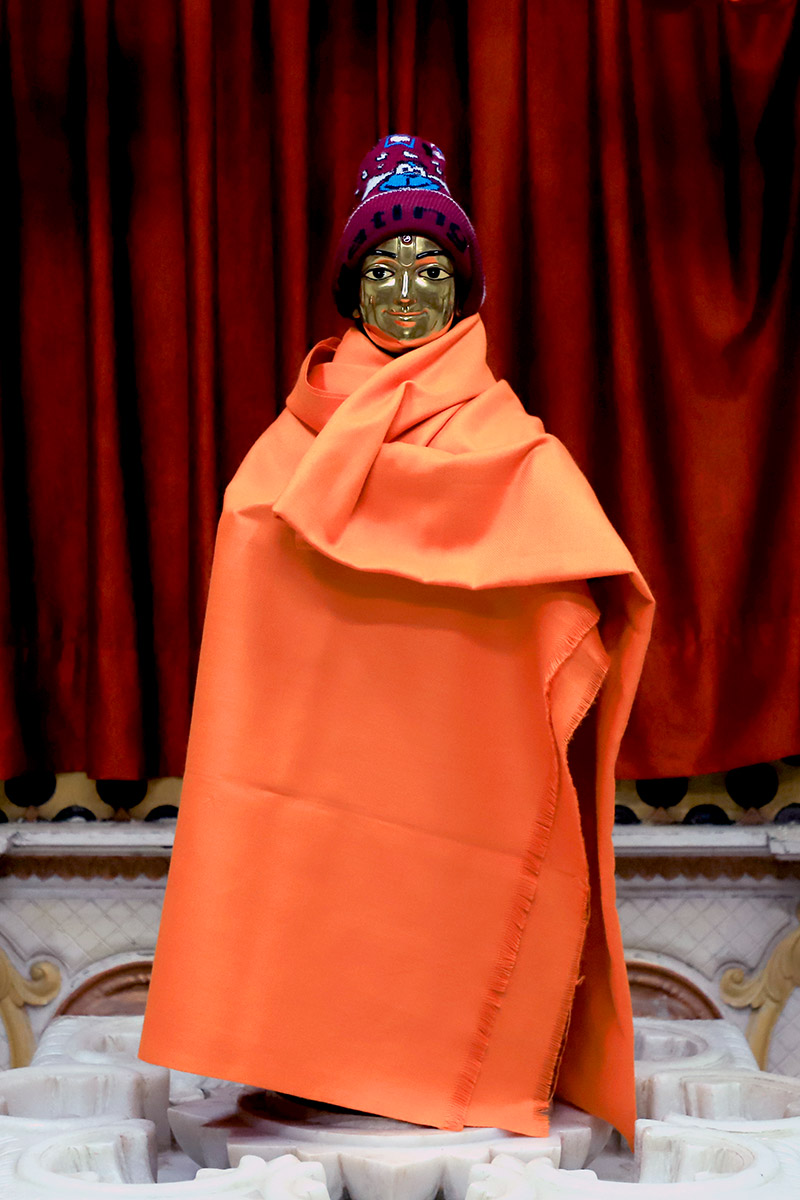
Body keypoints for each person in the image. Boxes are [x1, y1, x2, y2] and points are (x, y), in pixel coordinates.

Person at [139, 135, 654, 1143]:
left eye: (429, 271)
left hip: (463, 771)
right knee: (320, 900)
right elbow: (254, 588)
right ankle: (307, 1053)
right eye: (382, 270)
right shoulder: (289, 449)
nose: (406, 296)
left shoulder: (510, 444)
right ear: (350, 288)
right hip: (317, 775)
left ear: (463, 289)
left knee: (449, 918)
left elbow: (583, 580)